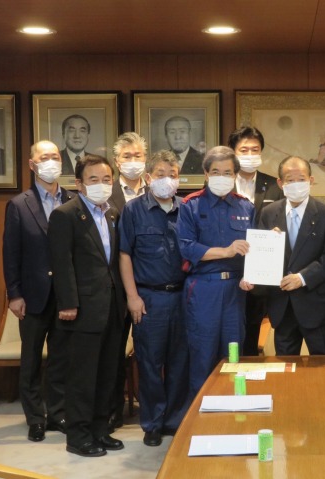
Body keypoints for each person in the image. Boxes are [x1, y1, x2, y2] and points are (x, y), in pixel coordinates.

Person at [48, 154, 126, 457]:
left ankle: (100, 430)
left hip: (112, 306)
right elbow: (61, 262)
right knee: (82, 377)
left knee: (107, 373)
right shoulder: (65, 214)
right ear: (79, 183)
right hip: (81, 309)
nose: (101, 185)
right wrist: (68, 303)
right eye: (94, 179)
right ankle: (78, 436)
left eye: (106, 179)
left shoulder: (113, 213)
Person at [2, 141, 74, 442]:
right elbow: (11, 253)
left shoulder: (73, 200)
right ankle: (35, 418)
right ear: (32, 164)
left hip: (65, 296)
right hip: (31, 296)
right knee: (31, 360)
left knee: (60, 359)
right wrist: (14, 294)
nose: (50, 162)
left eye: (55, 157)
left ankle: (57, 414)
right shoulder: (19, 204)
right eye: (44, 157)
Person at [118, 150, 189, 447]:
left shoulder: (187, 209)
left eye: (173, 175)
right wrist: (132, 297)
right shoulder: (133, 210)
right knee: (149, 363)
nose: (167, 180)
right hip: (149, 298)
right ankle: (153, 423)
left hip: (183, 297)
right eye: (161, 174)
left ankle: (174, 420)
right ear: (148, 178)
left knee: (180, 363)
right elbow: (124, 255)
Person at [241, 156, 325, 355]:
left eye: (301, 179)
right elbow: (261, 255)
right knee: (285, 367)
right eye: (290, 180)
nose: (296, 184)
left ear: (311, 181)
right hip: (282, 305)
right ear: (280, 183)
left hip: (317, 306)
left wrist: (302, 278)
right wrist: (251, 276)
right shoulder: (269, 213)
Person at [176, 146, 254, 398]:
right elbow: (186, 247)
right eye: (216, 172)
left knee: (233, 354)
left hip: (235, 291)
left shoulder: (245, 207)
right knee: (203, 355)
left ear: (235, 175)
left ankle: (233, 409)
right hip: (203, 289)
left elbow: (255, 249)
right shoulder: (190, 205)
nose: (222, 177)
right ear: (206, 174)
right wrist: (226, 251)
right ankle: (199, 415)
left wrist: (255, 269)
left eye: (228, 172)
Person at [228, 126, 284, 356]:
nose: (250, 155)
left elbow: (282, 220)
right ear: (233, 152)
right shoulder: (222, 183)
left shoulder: (274, 186)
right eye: (244, 150)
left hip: (261, 273)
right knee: (229, 332)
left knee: (252, 330)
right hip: (229, 268)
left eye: (255, 149)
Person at [106, 132, 149, 430]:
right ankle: (113, 411)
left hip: (151, 285)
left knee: (152, 353)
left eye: (138, 156)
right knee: (113, 353)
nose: (133, 161)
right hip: (115, 288)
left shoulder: (158, 189)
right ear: (117, 161)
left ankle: (152, 409)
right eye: (127, 156)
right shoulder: (105, 193)